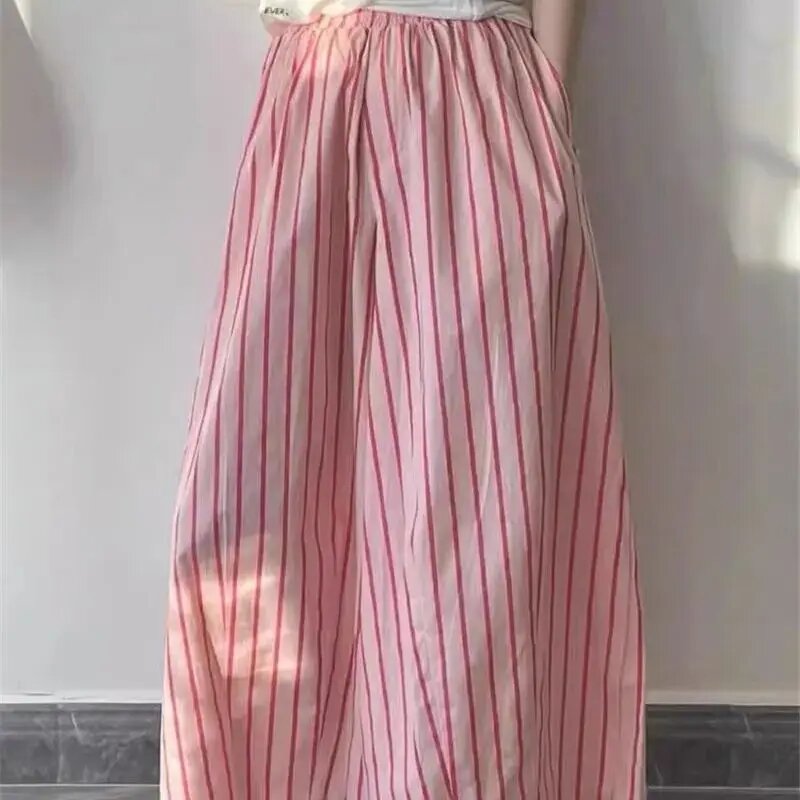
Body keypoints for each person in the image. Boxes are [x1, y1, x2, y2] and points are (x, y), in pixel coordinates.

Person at [160, 0, 644, 796]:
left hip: (476, 93)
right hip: (319, 96)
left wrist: (548, 108)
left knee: (468, 552)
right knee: (241, 512)